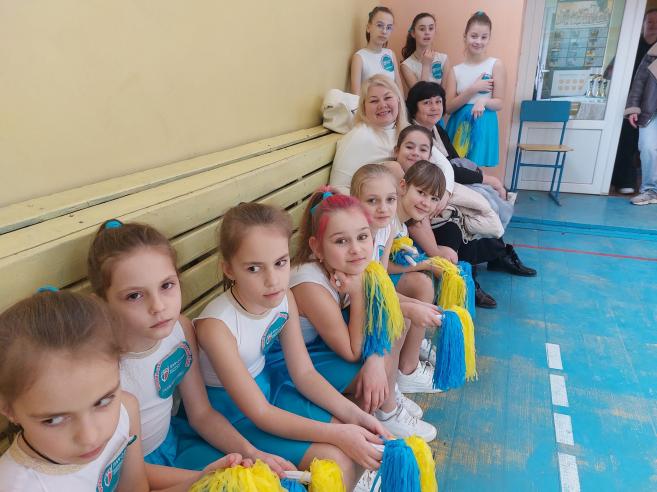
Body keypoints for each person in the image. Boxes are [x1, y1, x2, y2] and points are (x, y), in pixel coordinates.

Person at [192, 202, 387, 490]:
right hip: (234, 413)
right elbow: (259, 413)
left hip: (273, 390)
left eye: (281, 263)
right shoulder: (216, 326)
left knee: (358, 430)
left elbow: (304, 374)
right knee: (337, 459)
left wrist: (355, 417)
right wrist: (339, 434)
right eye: (254, 268)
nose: (273, 280)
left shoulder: (284, 297)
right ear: (229, 269)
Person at [86, 220, 293, 487]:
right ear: (102, 303)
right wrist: (207, 478)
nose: (158, 306)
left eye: (166, 286)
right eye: (134, 296)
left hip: (177, 441)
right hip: (132, 474)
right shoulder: (102, 370)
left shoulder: (180, 330)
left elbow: (201, 415)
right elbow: (118, 472)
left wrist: (252, 453)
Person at [0, 290, 238, 491]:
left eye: (103, 402)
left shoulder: (126, 410)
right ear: (8, 409)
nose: (90, 437)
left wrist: (204, 482)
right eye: (54, 420)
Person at [288, 185, 438, 444]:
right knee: (369, 378)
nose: (356, 249)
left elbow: (382, 303)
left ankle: (388, 396)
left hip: (324, 345)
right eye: (341, 241)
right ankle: (384, 411)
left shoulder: (349, 264)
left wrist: (411, 309)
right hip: (295, 364)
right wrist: (358, 294)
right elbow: (352, 351)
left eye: (362, 237)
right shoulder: (310, 285)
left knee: (396, 321)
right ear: (317, 248)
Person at [390, 125, 536, 309]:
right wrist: (431, 259)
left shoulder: (432, 168)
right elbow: (414, 224)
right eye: (409, 147)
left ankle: (485, 267)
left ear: (429, 155)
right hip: (409, 243)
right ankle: (461, 288)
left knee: (463, 225)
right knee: (452, 233)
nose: (415, 153)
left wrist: (446, 194)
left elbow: (448, 170)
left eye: (422, 149)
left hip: (422, 228)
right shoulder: (393, 173)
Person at [351, 164, 444, 385]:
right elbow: (373, 282)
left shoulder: (391, 226)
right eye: (421, 192)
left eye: (433, 198)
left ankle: (409, 359)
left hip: (368, 291)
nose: (426, 202)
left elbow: (380, 276)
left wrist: (417, 305)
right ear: (403, 186)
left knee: (421, 292)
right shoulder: (379, 225)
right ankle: (407, 369)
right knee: (417, 292)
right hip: (354, 301)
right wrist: (423, 267)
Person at [407, 80, 506, 198]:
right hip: (432, 186)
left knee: (493, 191)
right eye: (427, 103)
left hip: (449, 179)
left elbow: (456, 159)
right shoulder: (413, 135)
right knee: (487, 195)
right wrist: (486, 179)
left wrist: (480, 175)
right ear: (414, 107)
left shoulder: (437, 129)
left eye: (438, 102)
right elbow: (443, 168)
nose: (434, 108)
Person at [445, 11, 506, 167]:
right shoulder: (455, 70)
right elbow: (449, 107)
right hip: (459, 124)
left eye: (484, 37)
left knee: (477, 171)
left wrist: (483, 101)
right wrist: (473, 89)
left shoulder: (496, 65)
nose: (478, 41)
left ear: (489, 38)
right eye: (474, 36)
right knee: (457, 168)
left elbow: (499, 103)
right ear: (465, 36)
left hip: (484, 123)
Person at [607, 9, 657, 194]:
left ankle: (645, 187)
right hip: (629, 103)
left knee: (647, 147)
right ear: (642, 25)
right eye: (650, 22)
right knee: (627, 141)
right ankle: (621, 181)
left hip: (651, 107)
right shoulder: (630, 45)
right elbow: (610, 73)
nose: (653, 26)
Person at [331, 74, 409, 192]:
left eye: (388, 98)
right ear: (364, 107)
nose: (382, 105)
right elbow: (338, 187)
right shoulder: (359, 136)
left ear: (398, 99)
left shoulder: (408, 131)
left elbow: (437, 165)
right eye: (374, 101)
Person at [625, 41, 657, 206]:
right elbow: (639, 81)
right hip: (651, 109)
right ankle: (650, 191)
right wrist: (633, 108)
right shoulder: (653, 52)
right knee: (647, 147)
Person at [350, 6, 403, 96]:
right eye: (380, 25)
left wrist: (402, 104)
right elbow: (356, 96)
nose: (384, 31)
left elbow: (398, 88)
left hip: (392, 103)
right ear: (368, 27)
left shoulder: (390, 54)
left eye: (389, 27)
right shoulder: (359, 57)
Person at [400, 13, 450, 90]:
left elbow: (445, 93)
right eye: (422, 29)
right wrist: (426, 66)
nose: (427, 32)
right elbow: (420, 95)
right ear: (413, 33)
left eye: (431, 28)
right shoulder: (406, 65)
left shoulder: (443, 59)